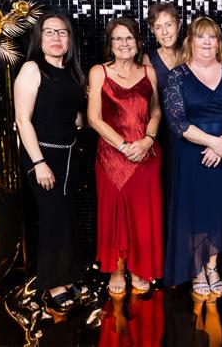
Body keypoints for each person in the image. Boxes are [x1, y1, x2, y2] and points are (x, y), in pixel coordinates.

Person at [163, 16, 222, 302]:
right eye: (200, 37)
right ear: (190, 41)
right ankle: (196, 268)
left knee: (220, 210)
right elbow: (177, 121)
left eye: (212, 37)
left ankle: (212, 266)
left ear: (219, 42)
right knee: (196, 209)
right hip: (194, 154)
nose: (206, 42)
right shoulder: (178, 75)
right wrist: (213, 142)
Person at [14, 11, 86, 311]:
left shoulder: (72, 72)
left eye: (62, 32)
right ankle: (54, 283)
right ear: (39, 38)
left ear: (69, 39)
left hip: (69, 155)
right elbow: (22, 120)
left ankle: (67, 276)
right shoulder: (32, 69)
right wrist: (39, 163)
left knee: (66, 216)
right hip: (42, 155)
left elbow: (76, 116)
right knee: (53, 218)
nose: (56, 38)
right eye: (50, 32)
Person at [88, 17, 163, 294]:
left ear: (137, 42)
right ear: (110, 43)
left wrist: (147, 140)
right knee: (114, 214)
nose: (124, 43)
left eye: (129, 38)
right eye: (118, 38)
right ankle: (117, 269)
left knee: (142, 216)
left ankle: (139, 268)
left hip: (146, 155)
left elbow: (156, 111)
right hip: (111, 156)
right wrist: (123, 146)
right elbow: (94, 118)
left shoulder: (148, 72)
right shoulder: (99, 72)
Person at [146, 2, 182, 92]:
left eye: (169, 25)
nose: (165, 32)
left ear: (178, 25)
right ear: (152, 30)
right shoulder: (148, 60)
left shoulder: (191, 54)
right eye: (158, 27)